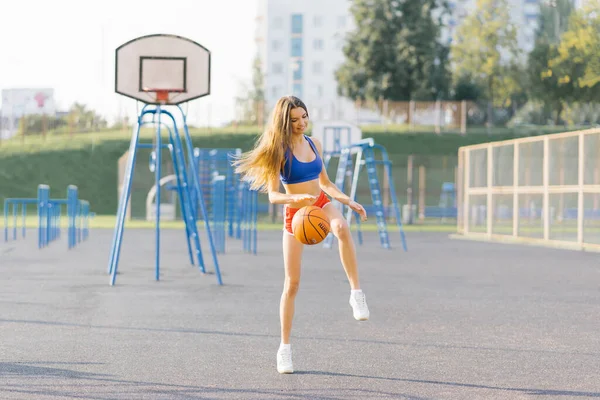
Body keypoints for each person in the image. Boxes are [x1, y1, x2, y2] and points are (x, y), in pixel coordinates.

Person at [233, 95, 370, 374]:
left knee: (342, 228)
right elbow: (272, 195)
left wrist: (348, 201)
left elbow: (326, 184)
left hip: (321, 203)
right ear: (285, 122)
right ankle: (284, 348)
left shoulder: (314, 144)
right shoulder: (278, 151)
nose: (301, 123)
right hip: (296, 213)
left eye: (304, 117)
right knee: (292, 284)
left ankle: (356, 292)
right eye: (295, 120)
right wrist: (294, 200)